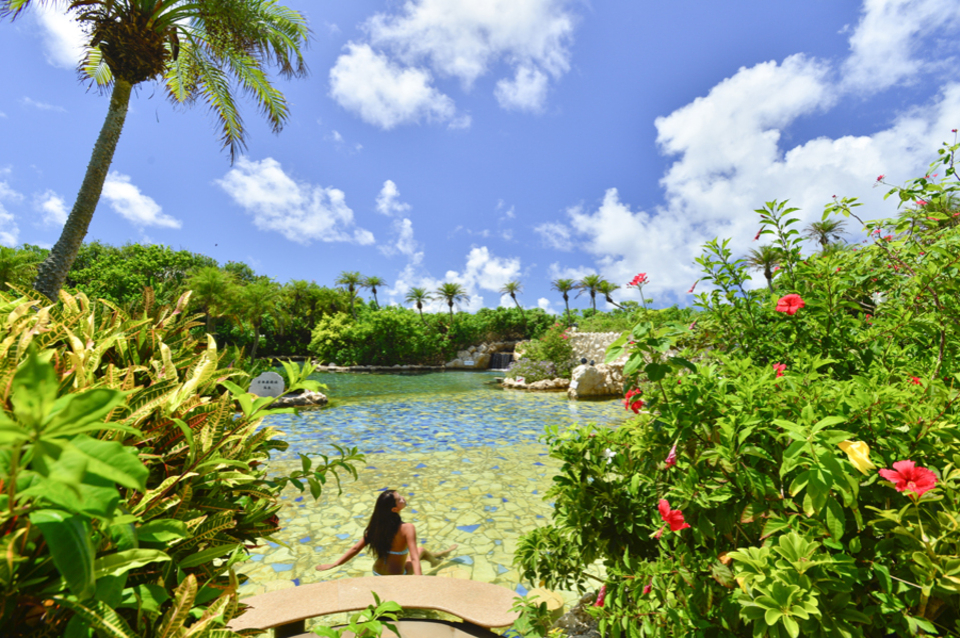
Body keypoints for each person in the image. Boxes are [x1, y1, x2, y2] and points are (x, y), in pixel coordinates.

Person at [316, 490, 457, 576]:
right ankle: (437, 561)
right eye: (399, 499)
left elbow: (355, 548)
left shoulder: (376, 527)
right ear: (394, 509)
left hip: (377, 573)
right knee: (421, 551)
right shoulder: (408, 528)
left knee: (421, 550)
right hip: (397, 576)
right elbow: (414, 558)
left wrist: (335, 564)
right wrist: (420, 582)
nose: (403, 498)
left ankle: (437, 558)